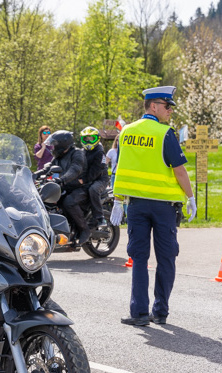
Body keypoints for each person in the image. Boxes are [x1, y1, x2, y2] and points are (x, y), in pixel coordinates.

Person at [113, 86, 196, 326]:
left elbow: (121, 168)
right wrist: (190, 197)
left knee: (139, 259)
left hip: (137, 206)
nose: (170, 111)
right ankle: (160, 311)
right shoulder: (165, 133)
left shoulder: (127, 132)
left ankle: (139, 314)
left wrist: (119, 200)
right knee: (166, 259)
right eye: (167, 106)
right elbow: (179, 170)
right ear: (153, 106)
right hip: (164, 208)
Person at [34, 130, 90, 246]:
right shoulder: (59, 155)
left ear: (62, 145)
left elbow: (75, 169)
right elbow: (48, 167)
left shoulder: (77, 153)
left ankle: (85, 229)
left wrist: (62, 179)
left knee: (68, 202)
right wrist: (35, 174)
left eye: (55, 145)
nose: (53, 147)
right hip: (65, 185)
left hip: (80, 186)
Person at [79, 126, 110, 228]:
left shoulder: (99, 152)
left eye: (91, 138)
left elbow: (95, 171)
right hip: (88, 178)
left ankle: (100, 217)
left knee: (93, 189)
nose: (88, 141)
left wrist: (83, 180)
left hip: (101, 179)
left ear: (97, 138)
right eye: (86, 139)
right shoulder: (82, 151)